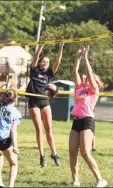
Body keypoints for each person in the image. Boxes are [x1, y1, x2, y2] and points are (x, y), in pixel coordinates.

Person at [69, 45, 107, 187]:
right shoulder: (80, 88)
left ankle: (100, 180)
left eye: (89, 79)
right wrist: (78, 57)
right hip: (76, 121)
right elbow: (74, 72)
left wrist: (86, 58)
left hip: (87, 121)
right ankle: (75, 180)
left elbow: (90, 75)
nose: (85, 79)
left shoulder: (94, 90)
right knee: (72, 152)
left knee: (85, 152)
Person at [26, 32, 64, 167]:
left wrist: (61, 47)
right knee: (39, 129)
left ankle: (54, 154)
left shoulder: (49, 73)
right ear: (40, 62)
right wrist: (43, 42)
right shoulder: (34, 70)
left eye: (47, 62)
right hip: (33, 101)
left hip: (44, 100)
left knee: (49, 129)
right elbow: (36, 55)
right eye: (44, 61)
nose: (45, 63)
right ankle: (42, 155)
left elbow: (58, 61)